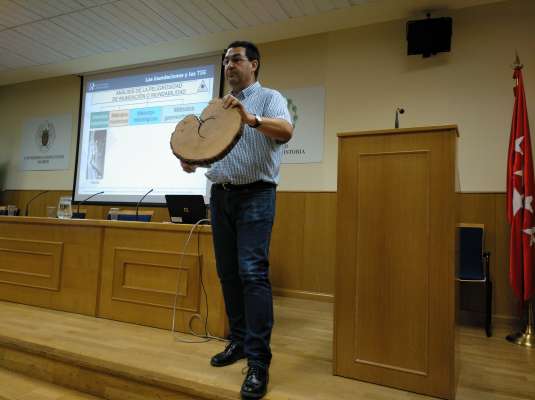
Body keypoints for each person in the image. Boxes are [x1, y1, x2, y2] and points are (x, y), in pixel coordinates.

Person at [180, 41, 293, 399]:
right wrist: (193, 160)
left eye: (236, 59)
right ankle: (239, 342)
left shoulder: (270, 97)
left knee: (252, 274)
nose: (229, 65)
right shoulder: (214, 106)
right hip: (222, 196)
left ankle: (259, 362)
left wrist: (251, 118)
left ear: (254, 65)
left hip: (256, 195)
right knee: (227, 273)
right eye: (226, 60)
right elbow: (210, 150)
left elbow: (286, 132)